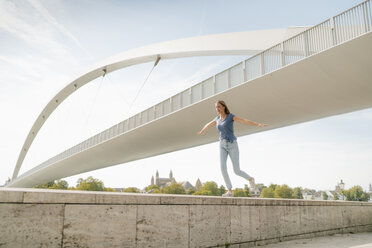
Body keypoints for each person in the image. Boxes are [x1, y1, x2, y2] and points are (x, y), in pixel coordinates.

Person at [198, 100, 268, 197]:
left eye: (218, 106)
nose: (217, 109)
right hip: (222, 144)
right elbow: (208, 124)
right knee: (222, 167)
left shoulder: (230, 117)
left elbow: (243, 120)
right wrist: (203, 130)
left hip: (232, 145)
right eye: (216, 107)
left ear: (223, 107)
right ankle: (230, 190)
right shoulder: (217, 119)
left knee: (236, 170)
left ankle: (250, 179)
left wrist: (257, 124)